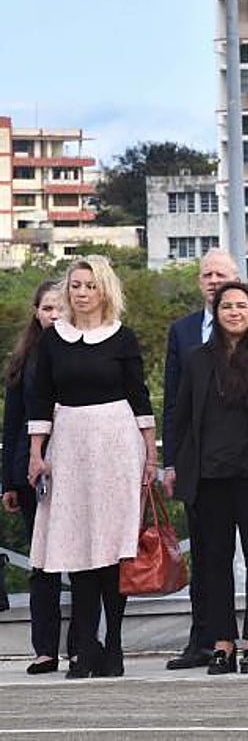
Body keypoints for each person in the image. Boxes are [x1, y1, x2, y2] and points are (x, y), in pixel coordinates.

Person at [26, 256, 158, 678]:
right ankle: (84, 649)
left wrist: (150, 453)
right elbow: (40, 397)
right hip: (69, 445)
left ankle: (114, 647)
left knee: (113, 550)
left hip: (118, 444)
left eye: (90, 285)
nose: (82, 293)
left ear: (105, 290)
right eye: (76, 285)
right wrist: (36, 452)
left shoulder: (123, 337)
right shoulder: (53, 340)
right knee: (78, 548)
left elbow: (140, 398)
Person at [162, 249, 248, 668]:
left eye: (241, 305)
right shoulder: (198, 358)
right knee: (213, 563)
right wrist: (173, 462)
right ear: (216, 309)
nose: (233, 312)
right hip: (207, 475)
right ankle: (222, 642)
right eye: (226, 305)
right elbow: (179, 414)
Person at [2, 281, 76, 674]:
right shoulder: (24, 361)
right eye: (48, 308)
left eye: (60, 308)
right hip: (33, 475)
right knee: (42, 564)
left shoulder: (82, 353)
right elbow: (11, 424)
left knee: (82, 561)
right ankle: (45, 649)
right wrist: (9, 483)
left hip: (79, 467)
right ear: (36, 312)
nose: (54, 315)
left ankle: (81, 645)